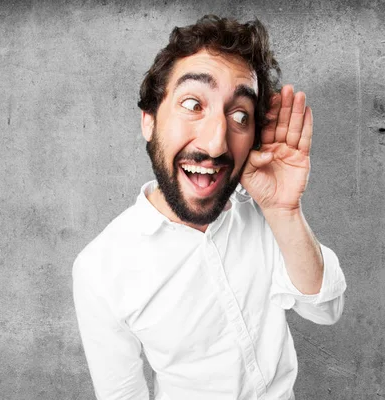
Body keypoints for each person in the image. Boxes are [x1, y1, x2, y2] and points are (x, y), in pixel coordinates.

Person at [72, 15, 346, 400]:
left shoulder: (262, 212)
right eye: (192, 103)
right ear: (149, 122)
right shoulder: (99, 269)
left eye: (238, 116)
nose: (217, 143)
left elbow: (326, 308)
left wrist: (284, 211)